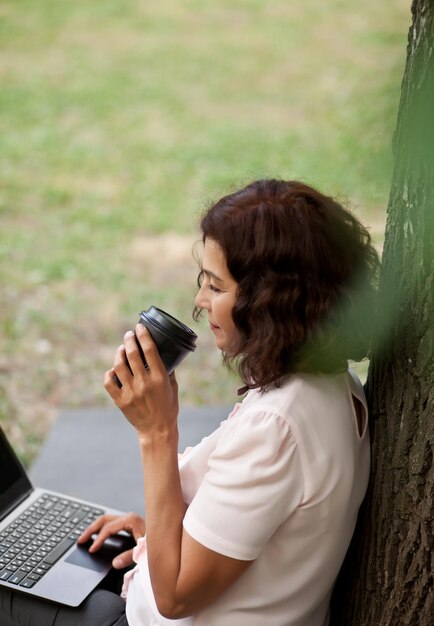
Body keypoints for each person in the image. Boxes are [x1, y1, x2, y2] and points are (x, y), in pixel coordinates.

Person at [0, 179, 380, 626]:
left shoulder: (277, 427)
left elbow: (175, 597)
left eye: (217, 288)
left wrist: (156, 432)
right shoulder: (334, 382)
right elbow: (262, 532)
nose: (200, 301)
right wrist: (156, 535)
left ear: (271, 303)